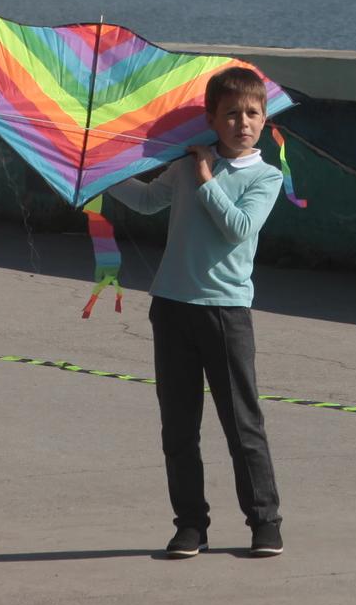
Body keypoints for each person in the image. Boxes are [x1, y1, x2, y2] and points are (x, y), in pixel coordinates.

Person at [106, 68, 290, 560]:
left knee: (242, 426)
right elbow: (147, 201)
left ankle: (264, 521)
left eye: (252, 113)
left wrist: (208, 177)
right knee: (179, 427)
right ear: (211, 118)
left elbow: (238, 228)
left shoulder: (265, 177)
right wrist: (103, 177)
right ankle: (190, 525)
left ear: (264, 118)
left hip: (226, 312)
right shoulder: (186, 166)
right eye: (230, 114)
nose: (242, 123)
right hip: (171, 307)